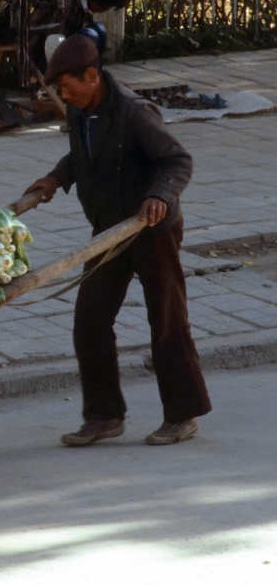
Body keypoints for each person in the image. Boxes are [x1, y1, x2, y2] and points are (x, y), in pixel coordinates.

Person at [24, 34, 211, 447]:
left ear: (92, 76)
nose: (62, 94)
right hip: (109, 230)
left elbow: (177, 160)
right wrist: (56, 179)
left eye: (68, 86)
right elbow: (81, 155)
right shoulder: (77, 111)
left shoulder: (133, 112)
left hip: (151, 229)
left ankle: (182, 416)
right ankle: (105, 416)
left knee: (166, 321)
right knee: (89, 320)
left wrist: (159, 196)